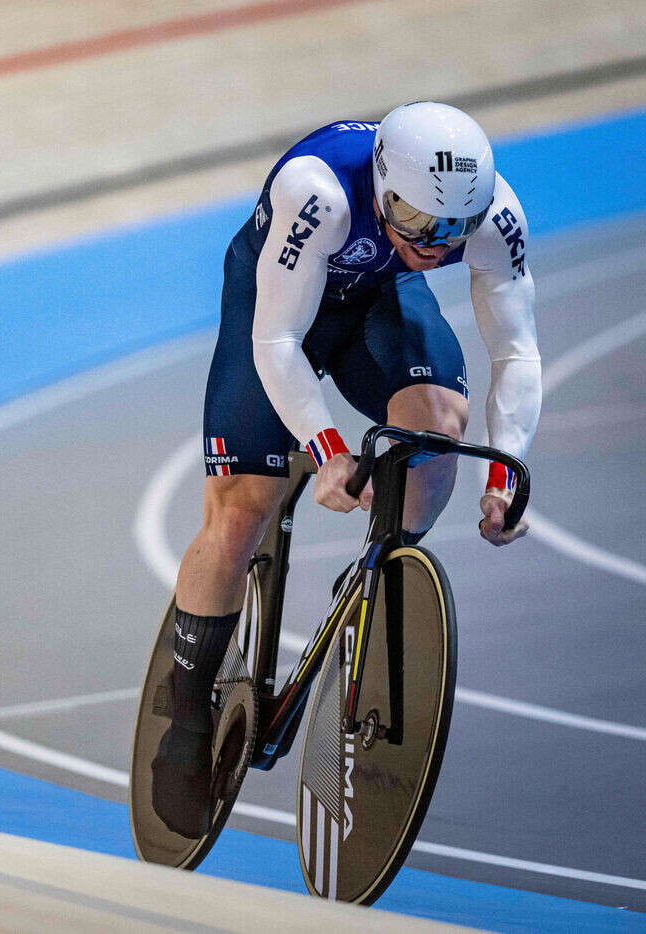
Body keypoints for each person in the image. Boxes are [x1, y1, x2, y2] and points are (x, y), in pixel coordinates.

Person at [153, 102, 540, 837]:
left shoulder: (492, 216)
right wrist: (329, 450)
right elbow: (276, 339)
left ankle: (373, 571)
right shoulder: (318, 189)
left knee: (438, 434)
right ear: (382, 186)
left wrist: (507, 471)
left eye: (452, 232)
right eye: (416, 221)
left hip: (377, 301)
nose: (435, 245)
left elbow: (518, 354)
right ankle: (185, 715)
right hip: (275, 312)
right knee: (240, 509)